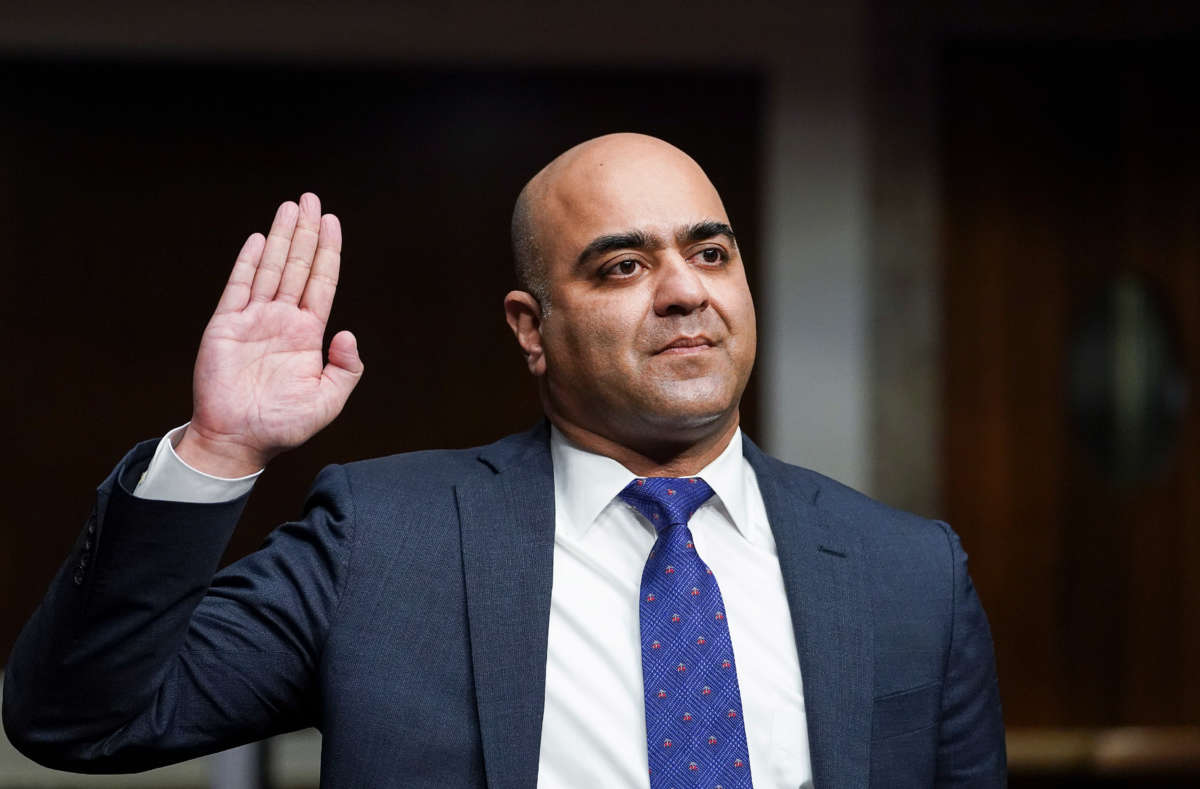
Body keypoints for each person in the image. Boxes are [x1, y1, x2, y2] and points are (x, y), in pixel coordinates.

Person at [3, 134, 1005, 787]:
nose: (684, 292)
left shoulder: (909, 572)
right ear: (532, 328)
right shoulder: (382, 544)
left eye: (710, 252)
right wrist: (218, 450)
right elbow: (81, 720)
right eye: (622, 265)